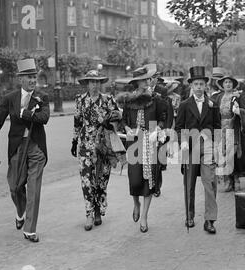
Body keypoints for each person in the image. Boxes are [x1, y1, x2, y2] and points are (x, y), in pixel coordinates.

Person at [0, 58, 50, 243]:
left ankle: (30, 229)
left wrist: (25, 114)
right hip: (17, 147)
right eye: (29, 77)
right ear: (20, 79)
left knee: (34, 189)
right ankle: (20, 211)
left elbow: (44, 118)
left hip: (36, 147)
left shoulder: (42, 97)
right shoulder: (10, 98)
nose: (32, 80)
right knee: (15, 188)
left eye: (34, 76)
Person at [116, 64, 168, 233]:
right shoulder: (129, 100)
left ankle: (144, 216)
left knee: (149, 181)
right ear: (137, 83)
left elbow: (162, 118)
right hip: (133, 143)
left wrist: (157, 130)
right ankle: (136, 203)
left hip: (150, 142)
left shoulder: (156, 99)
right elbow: (123, 121)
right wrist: (127, 129)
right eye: (143, 80)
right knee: (135, 179)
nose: (147, 82)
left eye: (147, 79)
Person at [71, 70, 124, 231]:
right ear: (87, 83)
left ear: (100, 83)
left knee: (101, 180)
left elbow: (118, 119)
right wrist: (74, 142)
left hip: (104, 147)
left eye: (97, 82)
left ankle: (98, 210)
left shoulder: (108, 100)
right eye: (91, 82)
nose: (94, 85)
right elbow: (77, 122)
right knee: (87, 180)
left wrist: (110, 123)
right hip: (86, 146)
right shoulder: (80, 100)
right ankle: (89, 214)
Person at [175, 66, 221, 234]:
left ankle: (209, 220)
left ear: (205, 86)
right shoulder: (185, 105)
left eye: (202, 84)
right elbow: (179, 127)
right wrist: (183, 142)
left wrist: (215, 144)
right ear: (191, 86)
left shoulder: (213, 105)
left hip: (207, 146)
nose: (199, 87)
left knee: (210, 183)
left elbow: (217, 127)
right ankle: (189, 215)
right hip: (190, 146)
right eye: (196, 84)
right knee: (189, 183)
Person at [212, 75, 245, 192]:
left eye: (230, 82)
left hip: (234, 128)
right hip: (221, 128)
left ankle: (236, 179)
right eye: (226, 82)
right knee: (223, 155)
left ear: (233, 85)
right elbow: (214, 113)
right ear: (222, 85)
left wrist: (239, 111)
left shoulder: (237, 97)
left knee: (233, 154)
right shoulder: (218, 97)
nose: (228, 84)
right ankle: (227, 180)